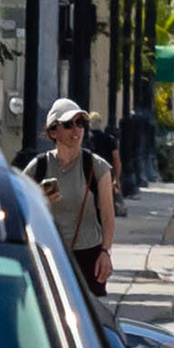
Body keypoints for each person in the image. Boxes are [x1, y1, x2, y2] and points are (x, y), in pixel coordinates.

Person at [34, 96, 116, 298]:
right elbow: (19, 206)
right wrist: (40, 201)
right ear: (54, 131)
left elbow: (107, 214)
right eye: (69, 124)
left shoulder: (96, 167)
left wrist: (105, 252)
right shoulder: (40, 166)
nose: (76, 130)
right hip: (50, 254)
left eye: (80, 123)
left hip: (88, 256)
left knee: (88, 322)